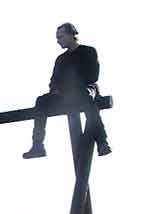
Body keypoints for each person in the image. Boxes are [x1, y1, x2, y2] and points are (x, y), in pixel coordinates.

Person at [23, 23, 111, 159]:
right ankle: (37, 145)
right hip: (66, 95)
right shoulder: (61, 59)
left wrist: (72, 86)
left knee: (85, 98)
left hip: (86, 90)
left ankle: (102, 142)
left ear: (71, 35)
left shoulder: (88, 51)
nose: (58, 40)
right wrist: (57, 91)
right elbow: (53, 82)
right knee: (41, 101)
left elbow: (93, 76)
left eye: (61, 37)